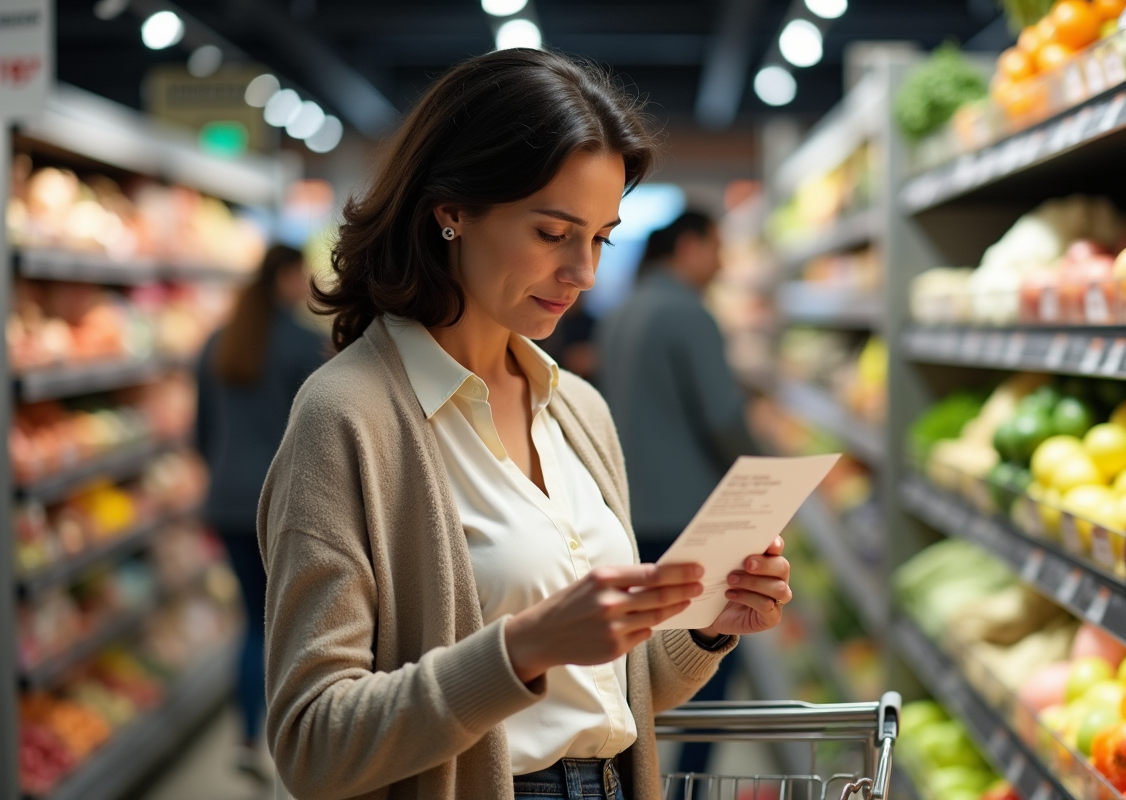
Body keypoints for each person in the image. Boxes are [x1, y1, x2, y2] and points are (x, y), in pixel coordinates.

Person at [258, 49, 794, 800]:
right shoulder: (348, 417)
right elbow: (313, 742)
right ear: (451, 210)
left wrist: (706, 626)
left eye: (601, 237)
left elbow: (609, 696)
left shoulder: (577, 408)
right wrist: (521, 650)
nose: (586, 273)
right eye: (553, 233)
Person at [596, 210, 762, 778]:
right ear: (689, 246)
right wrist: (770, 479)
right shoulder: (688, 313)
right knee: (701, 664)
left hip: (627, 514)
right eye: (717, 246)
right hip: (692, 520)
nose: (722, 262)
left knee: (636, 666)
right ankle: (685, 781)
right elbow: (723, 419)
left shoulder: (621, 310)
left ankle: (643, 774)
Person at [194, 243, 327, 780]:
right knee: (288, 624)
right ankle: (289, 739)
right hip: (282, 504)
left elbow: (200, 434)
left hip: (225, 502)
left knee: (253, 622)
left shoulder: (214, 344)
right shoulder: (304, 344)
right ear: (290, 277)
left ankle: (248, 738)